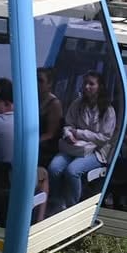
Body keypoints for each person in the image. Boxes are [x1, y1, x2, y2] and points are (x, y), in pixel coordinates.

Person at [0, 79, 49, 222]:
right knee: (43, 174)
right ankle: (40, 220)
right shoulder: (28, 121)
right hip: (22, 180)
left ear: (8, 104)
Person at [48, 71, 117, 212]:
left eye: (91, 84)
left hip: (96, 151)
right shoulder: (77, 103)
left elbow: (104, 137)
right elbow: (68, 124)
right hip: (73, 147)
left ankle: (72, 208)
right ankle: (55, 204)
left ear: (100, 87)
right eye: (85, 83)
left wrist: (79, 133)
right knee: (54, 168)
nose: (87, 87)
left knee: (72, 171)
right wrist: (68, 134)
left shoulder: (108, 110)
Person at [37, 67, 63, 163]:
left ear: (49, 84)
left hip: (45, 147)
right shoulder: (33, 101)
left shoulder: (54, 104)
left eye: (40, 81)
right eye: (35, 80)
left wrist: (31, 143)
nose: (37, 84)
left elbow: (50, 134)